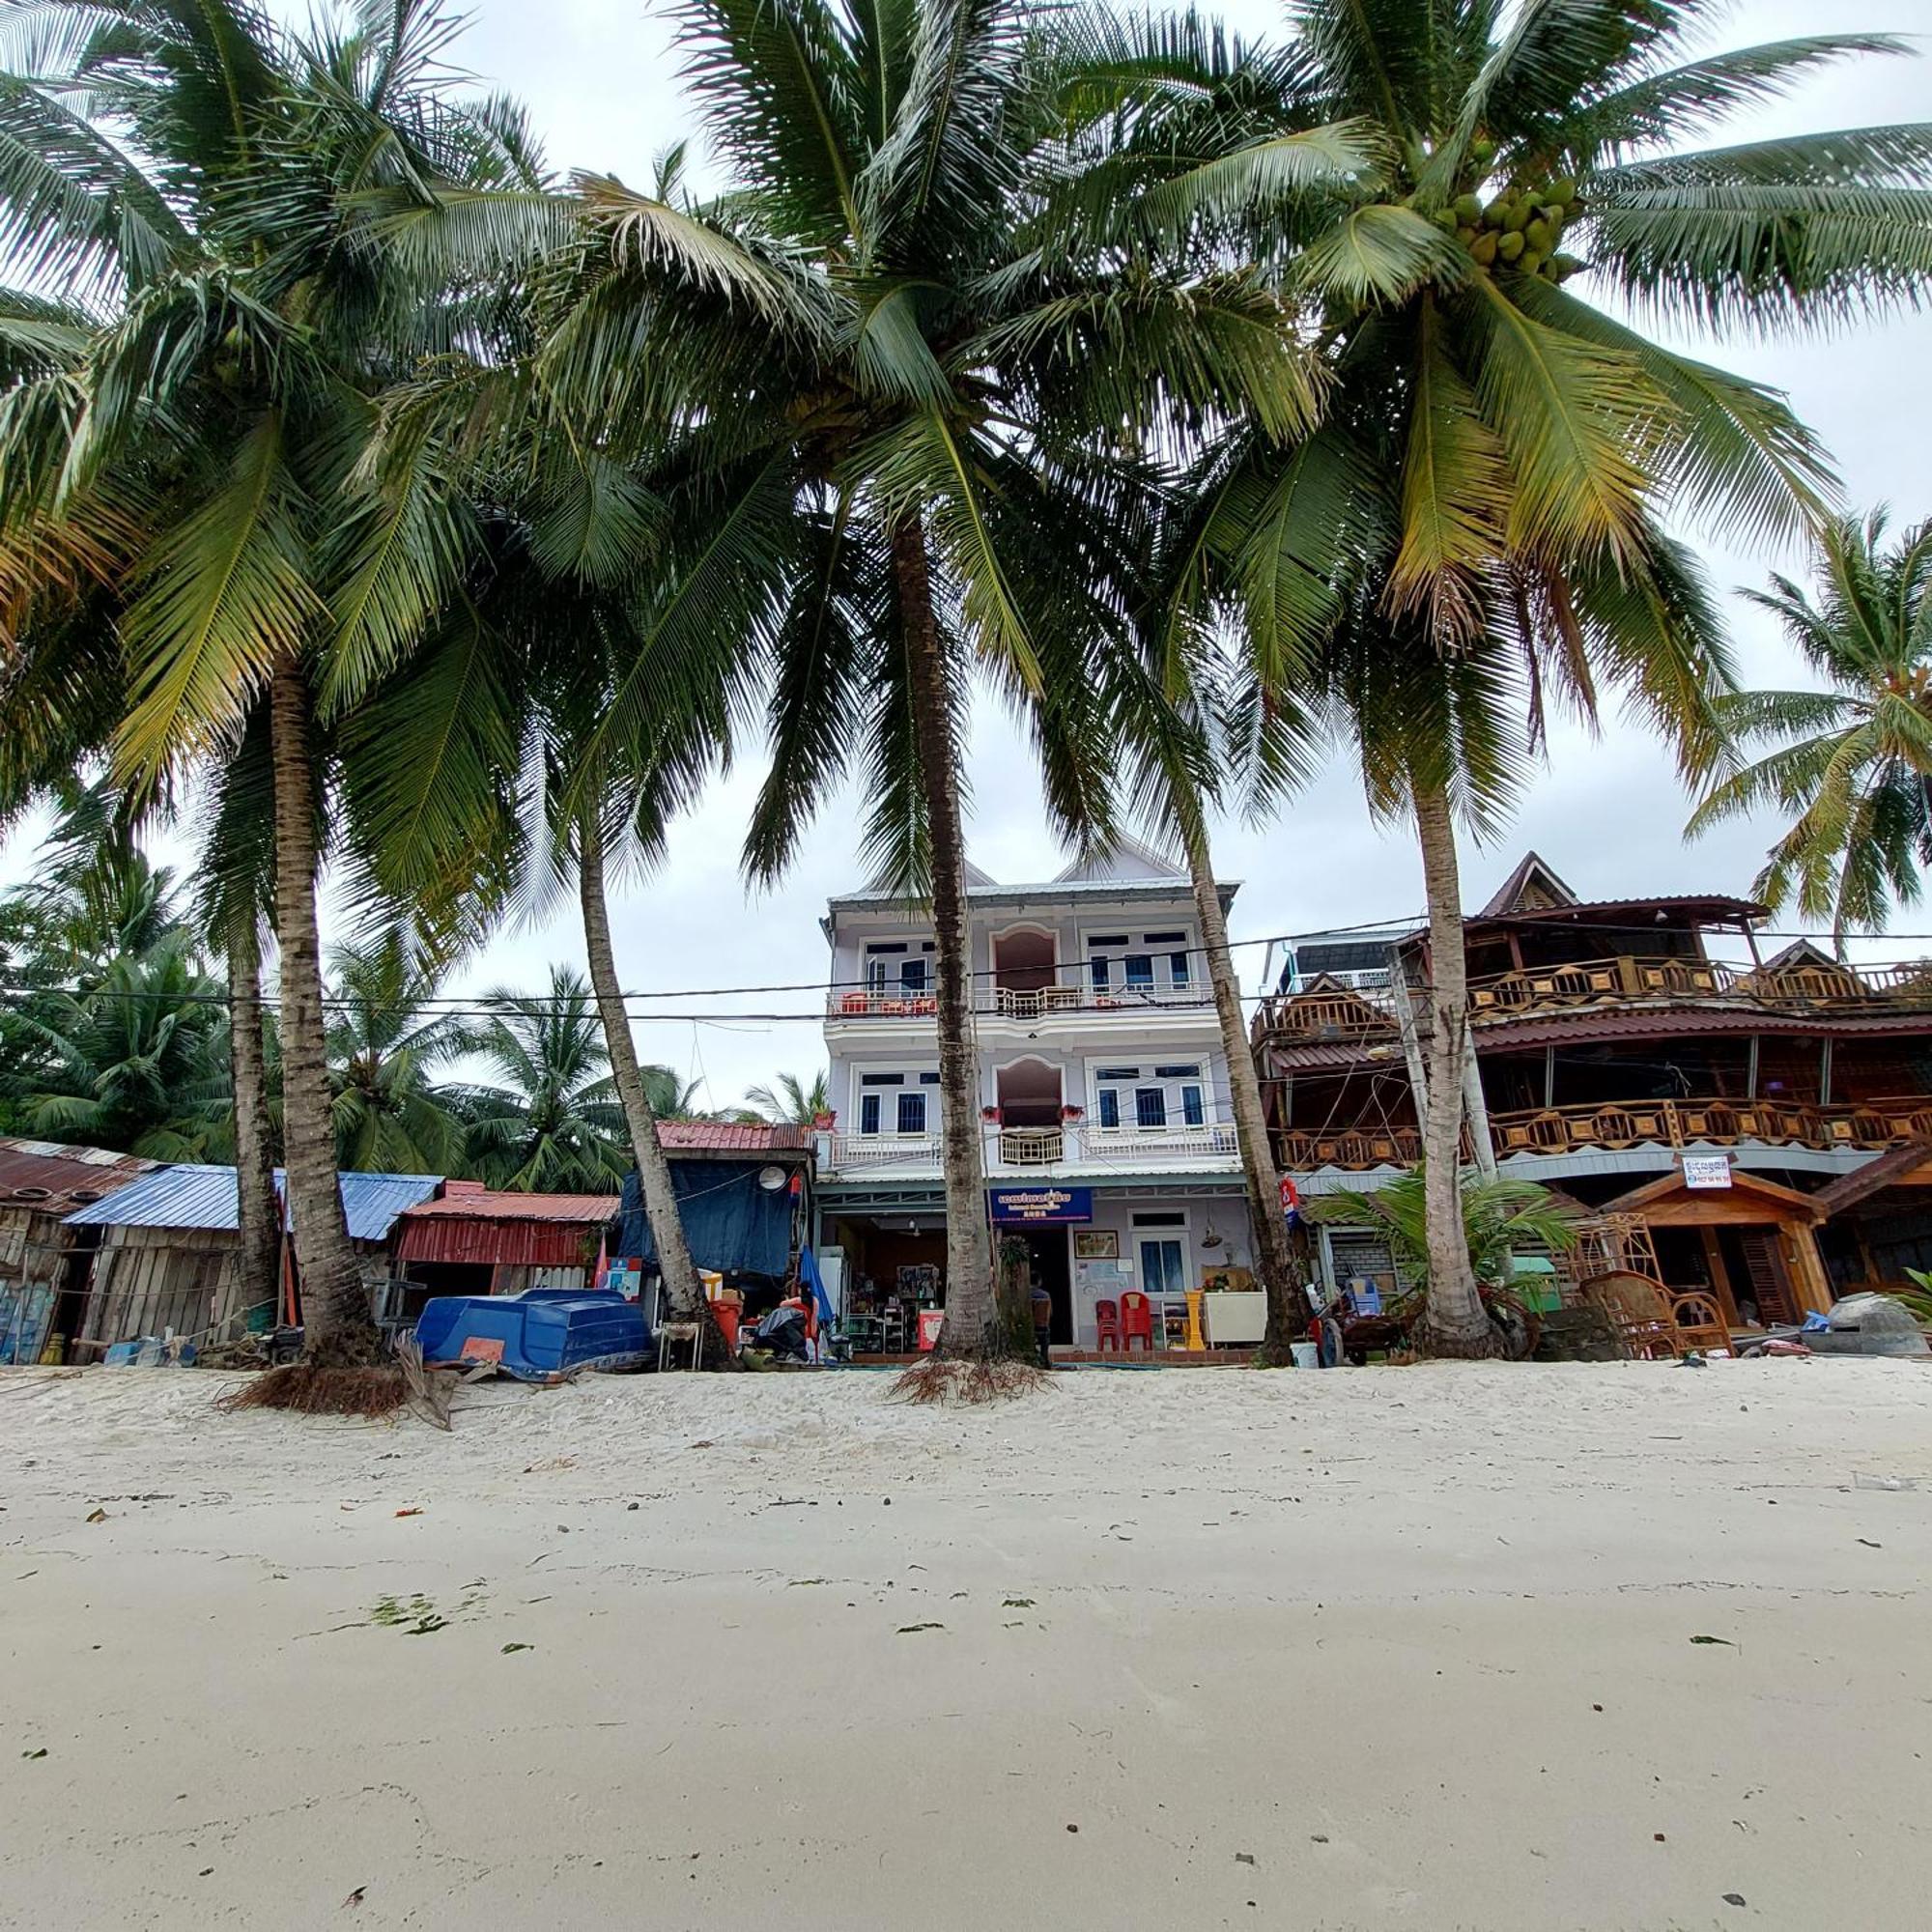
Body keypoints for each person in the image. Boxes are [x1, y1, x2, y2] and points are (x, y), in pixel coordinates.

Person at [1030, 1276, 1054, 1368]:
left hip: (1027, 1328)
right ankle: (1044, 1359)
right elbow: (1050, 1313)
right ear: (1039, 1282)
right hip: (1042, 1328)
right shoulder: (1045, 1295)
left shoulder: (1023, 1294)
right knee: (1045, 1337)